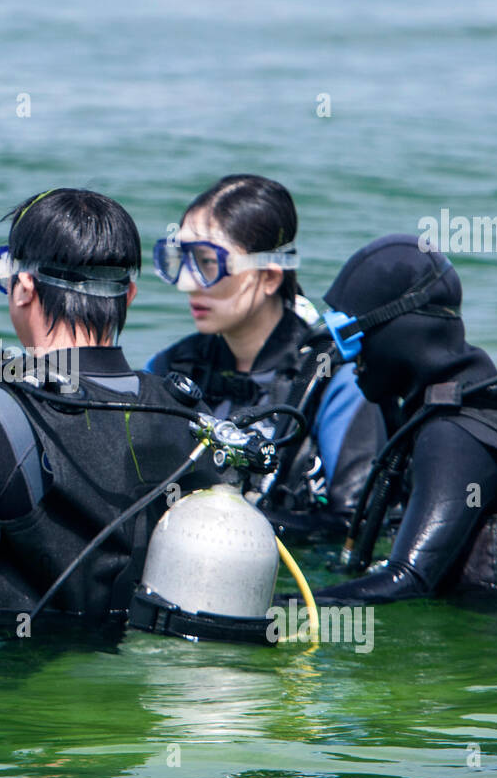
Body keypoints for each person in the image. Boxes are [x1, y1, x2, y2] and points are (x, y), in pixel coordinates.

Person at [0, 189, 218, 625]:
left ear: (24, 289)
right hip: (135, 659)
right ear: (128, 296)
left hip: (7, 664)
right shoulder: (186, 414)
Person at [313, 234, 497, 602]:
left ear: (398, 331)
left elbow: (408, 579)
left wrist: (283, 607)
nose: (346, 357)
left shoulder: (452, 434)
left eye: (348, 336)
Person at [145, 175, 383, 537]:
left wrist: (231, 522)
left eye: (207, 263)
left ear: (269, 277)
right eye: (180, 260)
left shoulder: (336, 380)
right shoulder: (169, 369)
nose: (188, 283)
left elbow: (356, 525)